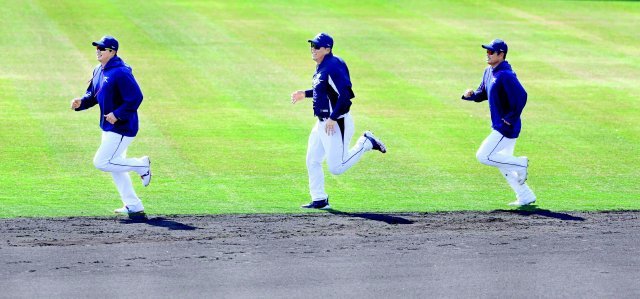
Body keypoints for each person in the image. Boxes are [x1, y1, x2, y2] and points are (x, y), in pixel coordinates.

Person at [291, 32, 386, 210]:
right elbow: (325, 91)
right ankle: (319, 199)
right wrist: (305, 94)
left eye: (317, 46)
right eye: (311, 45)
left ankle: (366, 142)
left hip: (336, 123)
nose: (313, 49)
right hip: (322, 123)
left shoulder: (333, 66)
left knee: (337, 167)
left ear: (327, 49)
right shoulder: (322, 65)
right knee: (312, 159)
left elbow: (346, 96)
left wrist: (333, 118)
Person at [70, 35, 151, 219]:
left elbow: (136, 97)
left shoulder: (121, 72)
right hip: (107, 126)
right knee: (115, 166)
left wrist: (117, 114)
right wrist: (80, 102)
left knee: (102, 162)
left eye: (102, 48)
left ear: (112, 51)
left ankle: (141, 165)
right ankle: (133, 204)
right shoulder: (99, 69)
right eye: (97, 47)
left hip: (122, 127)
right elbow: (92, 95)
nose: (97, 51)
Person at [461, 38, 536, 206]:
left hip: (506, 128)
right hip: (499, 124)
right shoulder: (489, 71)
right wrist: (471, 95)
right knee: (503, 162)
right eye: (486, 51)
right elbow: (482, 92)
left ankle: (520, 163)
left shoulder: (506, 75)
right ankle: (525, 195)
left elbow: (522, 96)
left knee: (483, 156)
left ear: (501, 55)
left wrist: (509, 120)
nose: (487, 55)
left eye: (490, 52)